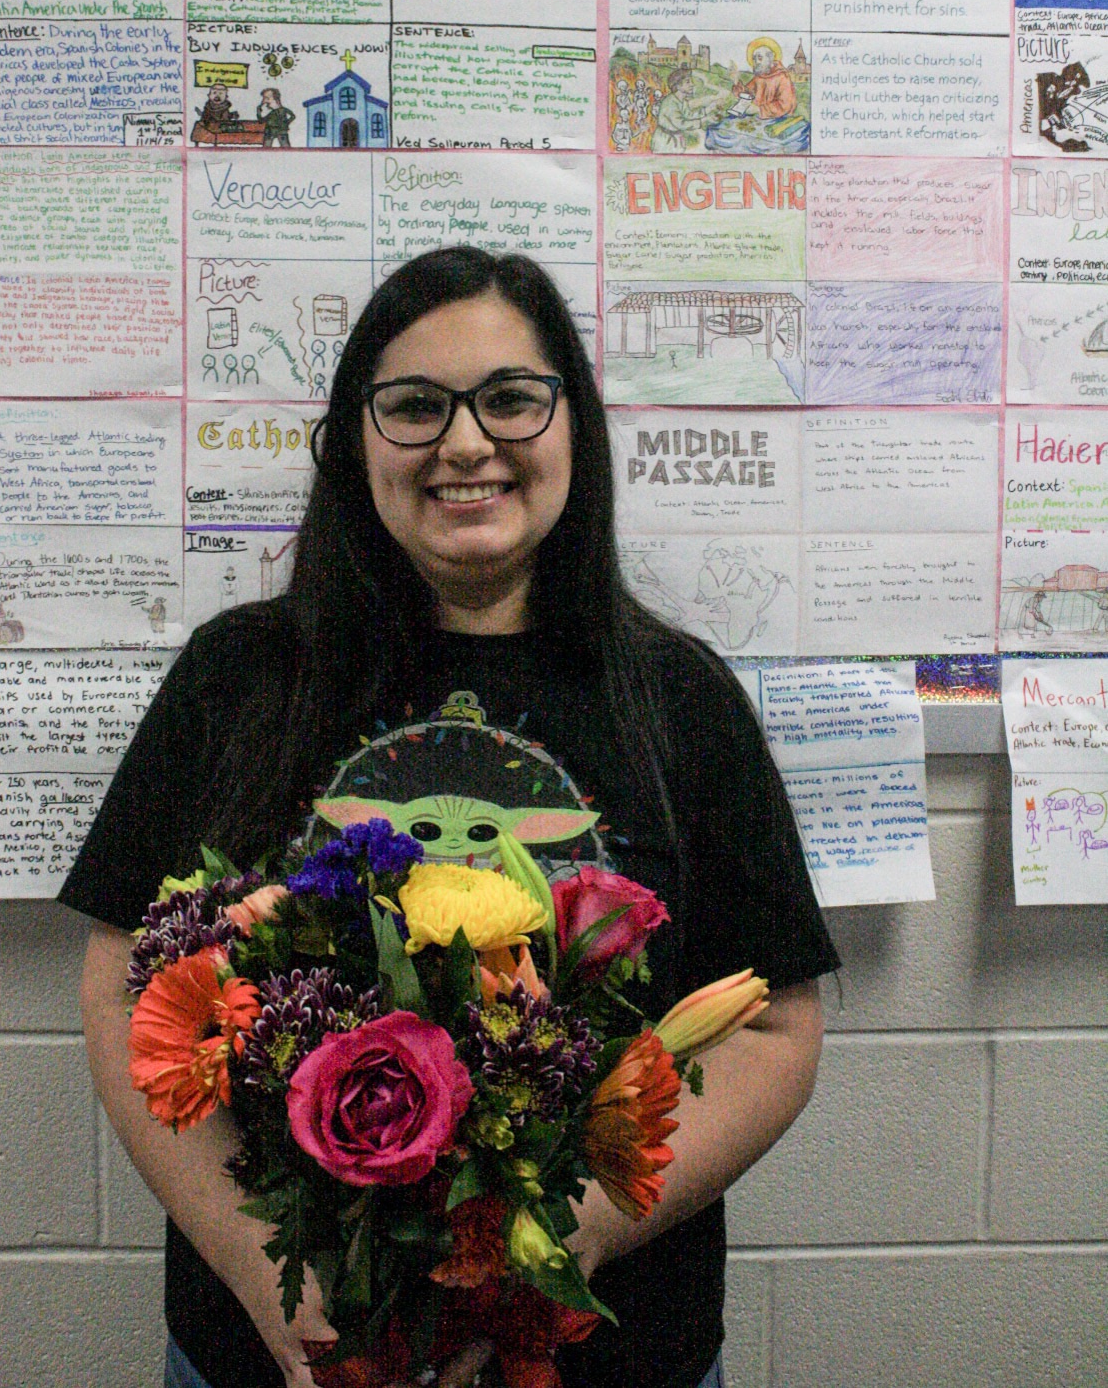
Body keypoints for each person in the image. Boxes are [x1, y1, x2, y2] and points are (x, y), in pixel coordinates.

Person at [62, 246, 838, 1388]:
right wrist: (273, 1278)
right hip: (279, 1351)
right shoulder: (239, 677)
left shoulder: (679, 697)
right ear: (356, 441)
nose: (466, 443)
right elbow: (125, 984)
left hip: (603, 1349)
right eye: (416, 406)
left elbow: (771, 1029)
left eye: (510, 398)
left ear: (572, 426)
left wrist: (557, 1245)